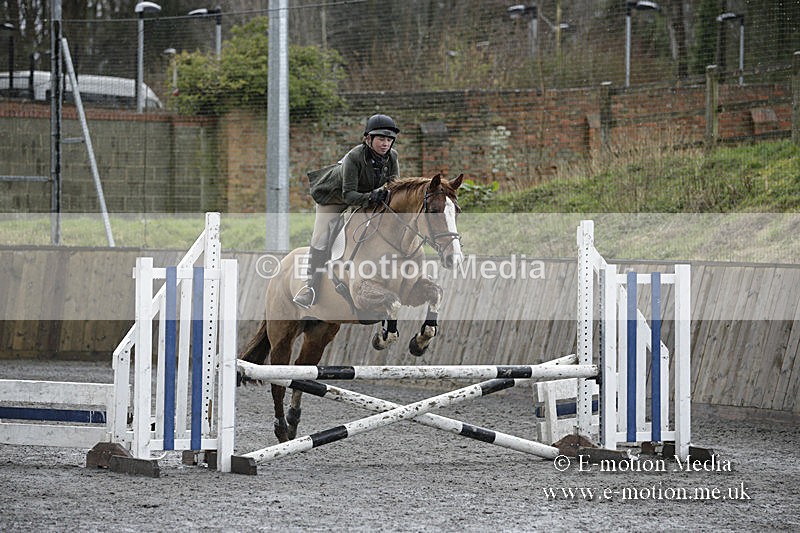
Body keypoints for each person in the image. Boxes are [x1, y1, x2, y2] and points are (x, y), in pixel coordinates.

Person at [293, 113, 401, 308]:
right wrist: (371, 196)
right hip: (334, 197)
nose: (385, 144)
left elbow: (394, 186)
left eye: (388, 139)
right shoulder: (354, 157)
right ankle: (310, 288)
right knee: (321, 237)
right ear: (368, 139)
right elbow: (349, 195)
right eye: (381, 139)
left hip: (365, 195)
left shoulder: (392, 156)